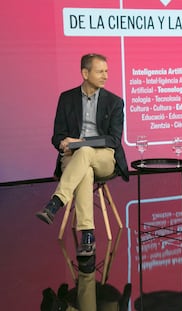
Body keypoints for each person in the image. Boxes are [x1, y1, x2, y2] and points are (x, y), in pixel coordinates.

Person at [36, 53, 129, 256]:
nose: (105, 76)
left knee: (85, 151)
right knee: (84, 172)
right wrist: (63, 143)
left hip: (104, 157)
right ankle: (88, 235)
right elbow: (57, 136)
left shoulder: (115, 102)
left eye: (106, 71)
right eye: (100, 71)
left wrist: (80, 143)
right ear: (85, 73)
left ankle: (56, 202)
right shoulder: (67, 98)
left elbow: (113, 140)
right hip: (73, 157)